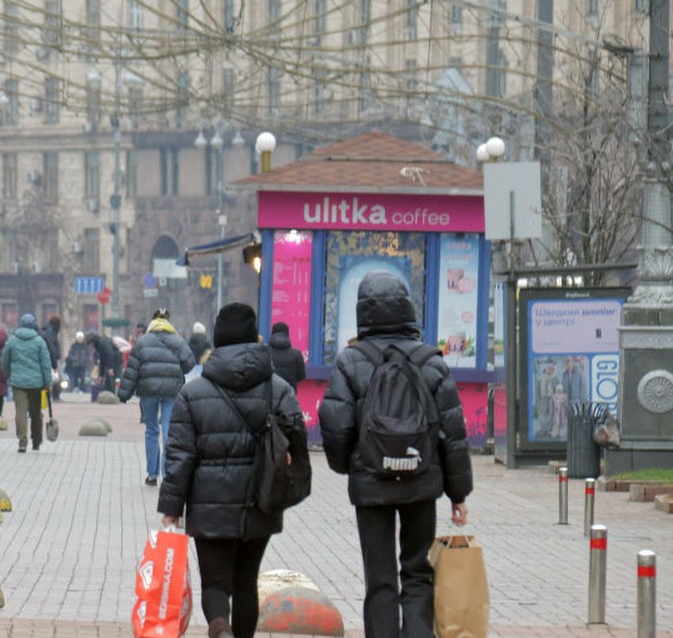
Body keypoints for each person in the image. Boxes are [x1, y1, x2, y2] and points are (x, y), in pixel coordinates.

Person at [318, 272, 473, 638]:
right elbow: (453, 433)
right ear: (407, 310)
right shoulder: (431, 361)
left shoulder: (351, 361)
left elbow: (336, 426)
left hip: (371, 484)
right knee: (418, 573)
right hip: (421, 482)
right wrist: (458, 494)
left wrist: (350, 467)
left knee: (380, 578)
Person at [157, 302, 306, 638]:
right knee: (245, 581)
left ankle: (219, 627)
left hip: (209, 505)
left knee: (215, 581)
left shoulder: (192, 393)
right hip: (262, 498)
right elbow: (297, 439)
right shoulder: (278, 388)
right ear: (255, 337)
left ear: (217, 339)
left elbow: (179, 455)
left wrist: (170, 507)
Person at [118, 308, 196, 486]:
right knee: (169, 430)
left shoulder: (142, 341)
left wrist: (124, 394)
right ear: (168, 322)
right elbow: (190, 362)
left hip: (148, 391)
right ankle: (167, 474)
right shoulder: (177, 341)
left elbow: (132, 370)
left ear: (152, 321)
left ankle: (152, 474)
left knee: (151, 429)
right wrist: (177, 372)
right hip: (172, 391)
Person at [2, 313, 53, 453]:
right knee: (36, 413)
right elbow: (46, 364)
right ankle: (36, 441)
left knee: (21, 414)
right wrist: (48, 382)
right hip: (36, 384)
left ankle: (22, 441)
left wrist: (8, 375)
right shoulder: (39, 341)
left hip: (18, 383)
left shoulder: (12, 341)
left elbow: (4, 360)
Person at [267, 322, 306, 390]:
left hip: (268, 395)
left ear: (272, 334)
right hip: (289, 395)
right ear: (287, 334)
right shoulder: (296, 354)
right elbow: (300, 377)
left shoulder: (264, 352)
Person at [39, 313, 63, 401]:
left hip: (45, 358)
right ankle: (55, 396)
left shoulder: (46, 330)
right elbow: (51, 348)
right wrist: (55, 365)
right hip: (51, 359)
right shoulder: (52, 332)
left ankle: (50, 395)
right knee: (55, 378)